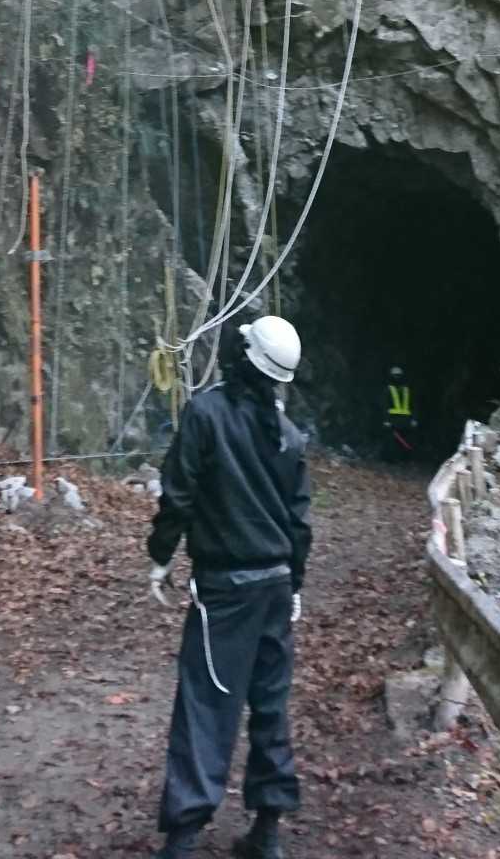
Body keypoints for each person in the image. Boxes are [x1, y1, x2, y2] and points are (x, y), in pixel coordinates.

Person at [147, 315, 311, 859]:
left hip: (225, 590)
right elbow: (299, 522)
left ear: (243, 357)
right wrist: (295, 584)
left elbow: (178, 493)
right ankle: (268, 832)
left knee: (205, 705)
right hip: (275, 587)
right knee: (270, 704)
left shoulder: (206, 415)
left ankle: (183, 840)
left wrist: (160, 556)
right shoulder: (288, 436)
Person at [382, 364, 418, 461]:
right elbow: (384, 406)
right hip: (393, 419)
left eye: (398, 375)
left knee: (407, 441)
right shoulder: (388, 389)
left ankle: (406, 459)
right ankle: (392, 460)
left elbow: (413, 405)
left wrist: (414, 419)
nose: (397, 377)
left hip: (406, 420)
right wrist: (386, 420)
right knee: (392, 441)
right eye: (395, 375)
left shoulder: (407, 390)